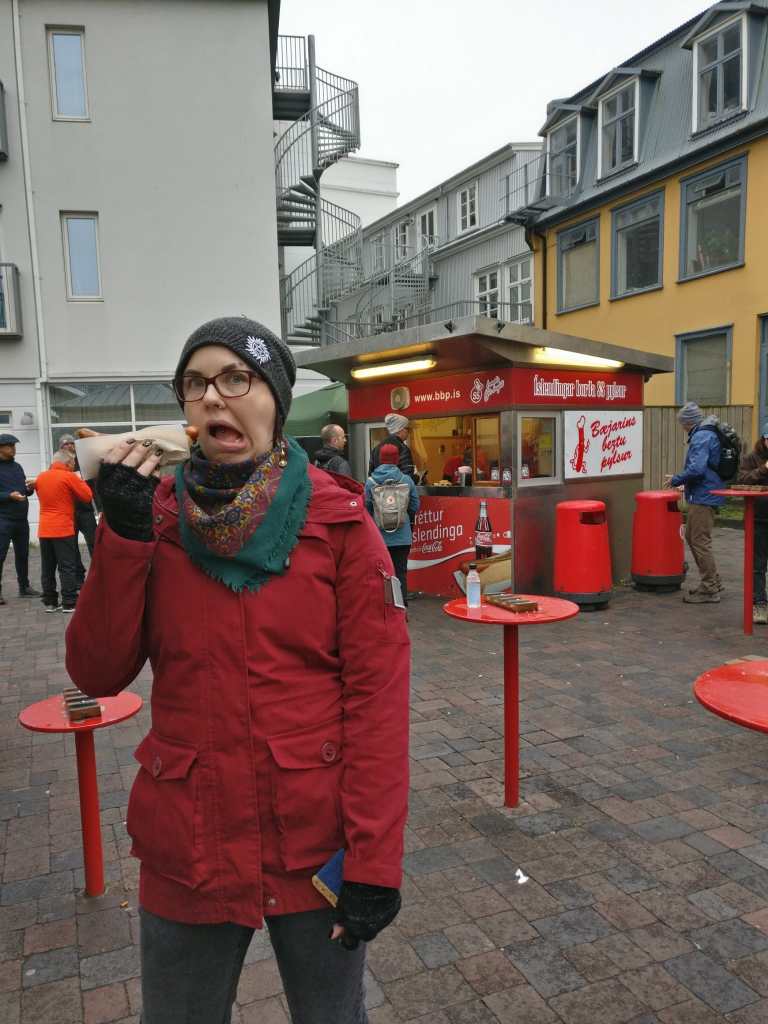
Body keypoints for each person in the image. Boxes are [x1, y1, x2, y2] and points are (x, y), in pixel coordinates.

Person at [65, 317, 409, 1024]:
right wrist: (121, 537)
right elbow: (96, 672)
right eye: (195, 385)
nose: (213, 397)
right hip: (188, 839)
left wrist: (374, 862)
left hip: (313, 842)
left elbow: (378, 701)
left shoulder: (340, 524)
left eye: (234, 378)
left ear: (275, 401)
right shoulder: (155, 518)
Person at [666, 401, 725, 603]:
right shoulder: (706, 433)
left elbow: (697, 469)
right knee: (692, 537)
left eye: (682, 423)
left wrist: (676, 479)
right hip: (704, 493)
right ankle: (713, 581)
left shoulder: (701, 436)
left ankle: (709, 589)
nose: (682, 427)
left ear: (688, 422)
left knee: (699, 540)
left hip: (703, 496)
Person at [34, 451, 93, 612]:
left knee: (47, 566)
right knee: (67, 566)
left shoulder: (41, 477)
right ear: (67, 463)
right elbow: (87, 496)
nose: (74, 465)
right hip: (62, 527)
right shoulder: (69, 476)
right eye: (73, 463)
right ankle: (69, 601)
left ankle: (50, 602)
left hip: (44, 528)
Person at [365, 443, 420, 606]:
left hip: (379, 538)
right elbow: (415, 506)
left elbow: (366, 509)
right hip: (402, 536)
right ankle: (401, 606)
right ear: (397, 459)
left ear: (380, 459)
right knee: (400, 571)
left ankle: (385, 606)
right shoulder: (406, 480)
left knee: (382, 573)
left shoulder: (371, 482)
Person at [0, 433, 40, 605]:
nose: (13, 448)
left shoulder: (17, 467)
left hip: (21, 519)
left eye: (14, 445)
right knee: (0, 555)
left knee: (23, 554)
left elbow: (23, 490)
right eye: (9, 446)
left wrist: (29, 488)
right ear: (0, 448)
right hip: (3, 519)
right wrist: (9, 496)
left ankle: (24, 587)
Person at [736, 421, 768, 624]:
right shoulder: (751, 458)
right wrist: (763, 469)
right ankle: (759, 604)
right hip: (759, 518)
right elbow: (742, 480)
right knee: (758, 564)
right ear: (763, 439)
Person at [58, 434, 98, 585]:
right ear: (60, 447)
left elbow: (94, 487)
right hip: (68, 513)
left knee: (94, 542)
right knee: (72, 546)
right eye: (66, 444)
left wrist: (100, 508)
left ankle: (98, 575)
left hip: (86, 511)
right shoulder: (57, 465)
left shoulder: (83, 463)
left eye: (71, 443)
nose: (69, 446)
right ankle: (78, 577)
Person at [369, 413, 417, 480]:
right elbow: (407, 476)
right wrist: (416, 478)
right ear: (400, 429)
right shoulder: (402, 448)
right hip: (398, 486)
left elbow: (371, 474)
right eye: (408, 429)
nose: (409, 432)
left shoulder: (376, 448)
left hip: (379, 486)